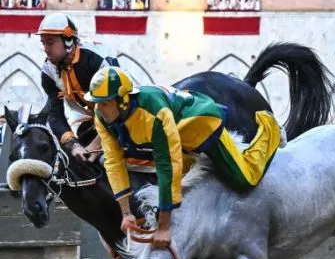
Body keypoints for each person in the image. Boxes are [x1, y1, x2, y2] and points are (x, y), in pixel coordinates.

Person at [87, 67, 283, 248]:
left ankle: (270, 129)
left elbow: (167, 166)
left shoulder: (154, 113)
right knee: (186, 194)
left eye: (105, 103)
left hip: (200, 126)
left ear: (123, 101)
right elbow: (113, 163)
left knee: (245, 179)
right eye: (97, 103)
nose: (100, 109)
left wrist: (163, 228)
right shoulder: (101, 117)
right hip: (178, 141)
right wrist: (126, 213)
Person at [37, 13, 119, 162]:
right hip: (88, 123)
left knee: (106, 161)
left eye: (50, 43)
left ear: (68, 40)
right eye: (43, 43)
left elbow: (117, 109)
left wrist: (94, 146)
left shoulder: (96, 60)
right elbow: (55, 113)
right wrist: (73, 145)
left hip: (121, 120)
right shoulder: (47, 71)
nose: (45, 49)